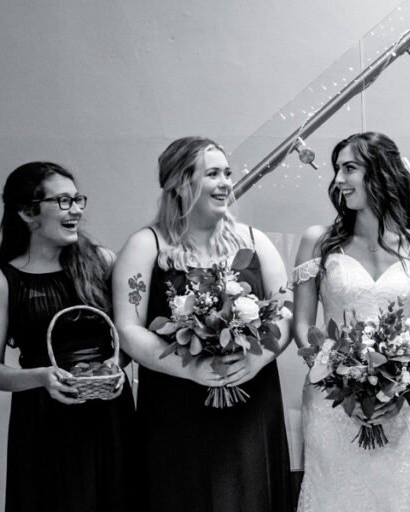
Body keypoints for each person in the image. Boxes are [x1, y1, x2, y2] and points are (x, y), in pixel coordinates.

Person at [112, 137, 294, 511]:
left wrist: (258, 359)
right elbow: (128, 330)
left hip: (251, 404)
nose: (226, 182)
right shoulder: (146, 246)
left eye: (227, 173)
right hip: (177, 412)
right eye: (213, 174)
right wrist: (191, 368)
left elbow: (285, 312)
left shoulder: (254, 242)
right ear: (180, 183)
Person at [291, 132, 410, 512]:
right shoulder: (320, 241)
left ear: (382, 173)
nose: (339, 180)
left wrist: (401, 384)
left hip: (403, 405)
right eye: (337, 170)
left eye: (350, 168)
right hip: (331, 404)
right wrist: (338, 380)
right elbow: (302, 325)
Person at [0, 162, 134, 511]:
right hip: (44, 423)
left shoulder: (102, 262)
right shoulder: (0, 282)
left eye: (78, 199)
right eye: (63, 201)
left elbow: (128, 334)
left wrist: (118, 362)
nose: (76, 209)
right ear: (28, 212)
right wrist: (41, 377)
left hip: (110, 416)